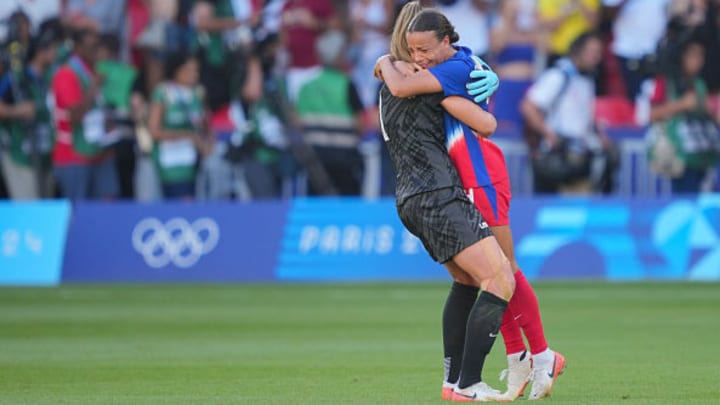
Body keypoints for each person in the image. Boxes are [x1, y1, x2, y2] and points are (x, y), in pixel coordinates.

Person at [376, 6, 566, 400]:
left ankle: (537, 356)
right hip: (455, 182)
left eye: (424, 49)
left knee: (501, 273)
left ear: (445, 42)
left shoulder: (440, 73)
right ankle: (522, 358)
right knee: (492, 277)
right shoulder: (435, 69)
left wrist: (385, 63)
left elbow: (487, 121)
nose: (418, 58)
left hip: (478, 174)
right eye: (412, 50)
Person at [520, 30, 617, 195]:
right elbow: (528, 106)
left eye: (599, 53)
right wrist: (549, 134)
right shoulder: (558, 75)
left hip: (582, 154)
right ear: (578, 51)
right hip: (560, 154)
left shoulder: (587, 78)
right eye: (592, 52)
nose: (597, 57)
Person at [51, 28, 120, 200]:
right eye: (92, 47)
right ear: (78, 48)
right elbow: (75, 116)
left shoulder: (95, 71)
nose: (98, 51)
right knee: (79, 213)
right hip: (74, 157)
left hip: (101, 153)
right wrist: (93, 87)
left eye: (99, 46)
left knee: (107, 206)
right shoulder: (66, 74)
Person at [648, 36, 720, 193]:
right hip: (679, 154)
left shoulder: (699, 83)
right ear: (681, 57)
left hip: (703, 152)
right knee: (684, 198)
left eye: (701, 55)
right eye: (693, 55)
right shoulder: (664, 82)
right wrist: (681, 105)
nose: (699, 60)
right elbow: (650, 115)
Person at [0, 26, 58, 199]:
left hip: (44, 156)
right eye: (52, 48)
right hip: (20, 156)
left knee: (45, 211)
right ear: (40, 52)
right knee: (29, 209)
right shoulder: (16, 78)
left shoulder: (48, 77)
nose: (56, 53)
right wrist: (17, 111)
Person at [147, 50, 213, 199]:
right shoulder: (163, 92)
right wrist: (188, 136)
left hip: (194, 161)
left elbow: (206, 125)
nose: (194, 75)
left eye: (196, 70)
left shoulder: (198, 93)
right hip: (170, 162)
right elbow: (154, 131)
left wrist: (208, 144)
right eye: (188, 70)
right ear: (176, 70)